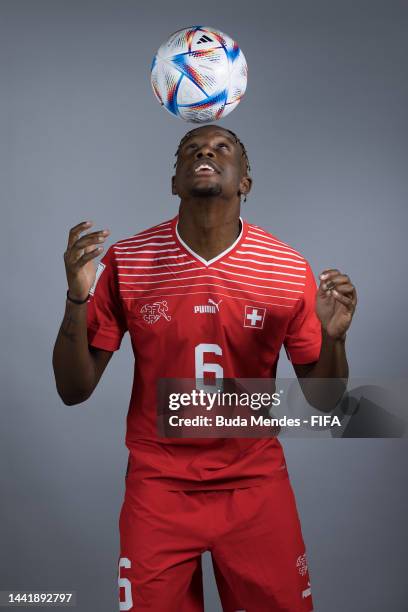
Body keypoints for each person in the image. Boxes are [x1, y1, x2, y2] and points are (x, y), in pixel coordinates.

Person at [52, 124, 357, 611]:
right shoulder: (128, 261)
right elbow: (73, 389)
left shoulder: (285, 268)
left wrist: (335, 339)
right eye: (190, 150)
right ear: (173, 182)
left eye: (222, 148)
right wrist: (76, 297)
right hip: (159, 488)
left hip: (255, 487)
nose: (205, 153)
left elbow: (324, 402)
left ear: (245, 184)